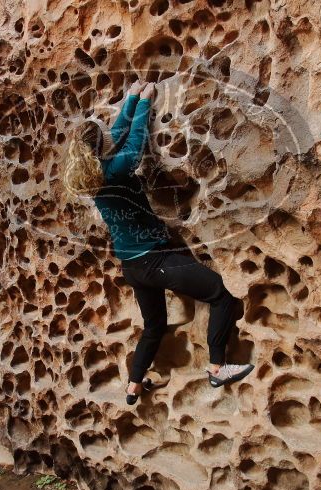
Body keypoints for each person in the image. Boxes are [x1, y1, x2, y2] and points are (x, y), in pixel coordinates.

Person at [62, 80, 254, 405]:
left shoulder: (95, 170)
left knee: (154, 327)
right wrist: (147, 104)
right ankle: (217, 367)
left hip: (133, 267)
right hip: (155, 262)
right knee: (220, 294)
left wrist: (133, 97)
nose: (111, 131)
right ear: (101, 145)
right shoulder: (116, 169)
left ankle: (133, 386)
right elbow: (133, 142)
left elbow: (116, 132)